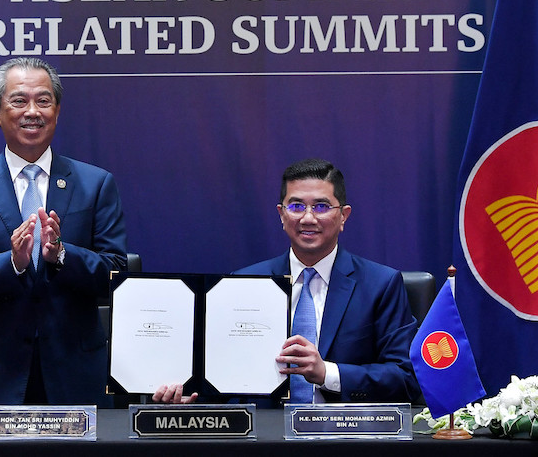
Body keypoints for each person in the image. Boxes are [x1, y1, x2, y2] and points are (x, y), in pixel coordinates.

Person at [0, 58, 127, 408]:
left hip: (76, 377)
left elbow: (117, 275)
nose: (32, 111)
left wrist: (62, 256)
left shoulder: (96, 184)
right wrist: (12, 264)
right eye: (19, 101)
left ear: (57, 109)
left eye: (43, 100)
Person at [154, 157, 419, 405]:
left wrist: (326, 372)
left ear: (343, 216)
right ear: (281, 215)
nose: (307, 218)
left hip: (344, 439)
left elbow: (406, 377)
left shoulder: (380, 284)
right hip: (264, 441)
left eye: (321, 206)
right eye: (296, 206)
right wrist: (191, 397)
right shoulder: (244, 283)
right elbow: (223, 377)